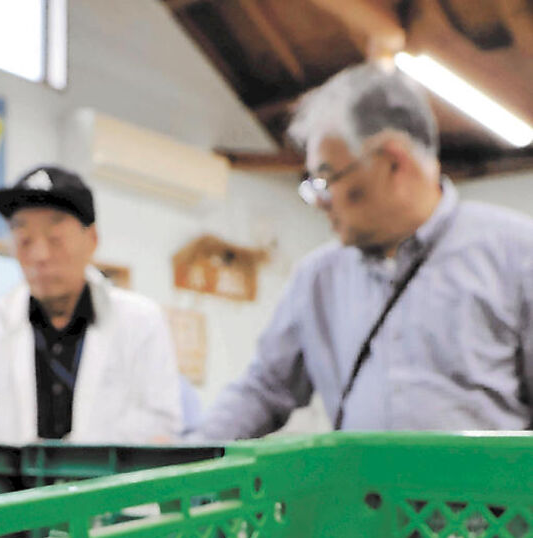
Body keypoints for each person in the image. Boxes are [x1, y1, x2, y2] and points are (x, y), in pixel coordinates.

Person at [197, 63, 533, 438]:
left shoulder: (516, 254)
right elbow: (262, 390)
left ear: (393, 162)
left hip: (489, 497)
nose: (319, 201)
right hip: (356, 498)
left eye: (326, 178)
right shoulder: (317, 278)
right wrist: (187, 462)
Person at [0, 165, 182, 443]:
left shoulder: (140, 320)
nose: (40, 255)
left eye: (55, 239)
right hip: (16, 495)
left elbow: (162, 426)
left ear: (91, 239)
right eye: (25, 240)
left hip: (114, 495)